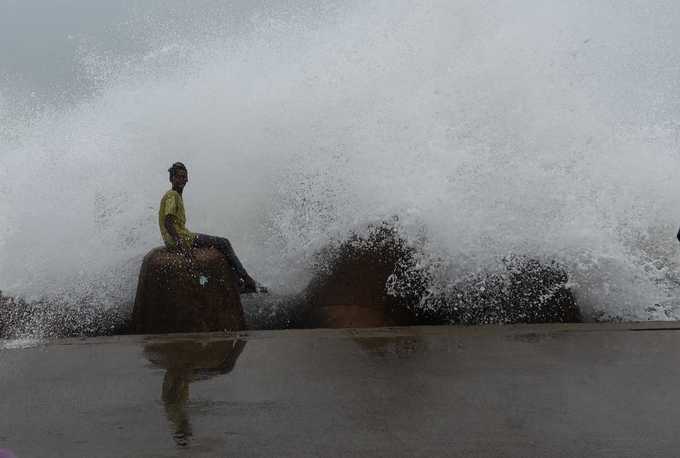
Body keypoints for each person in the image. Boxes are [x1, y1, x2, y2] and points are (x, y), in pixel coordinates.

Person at [159, 162, 262, 293]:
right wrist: (180, 243)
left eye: (184, 177)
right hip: (182, 239)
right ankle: (246, 279)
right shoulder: (172, 195)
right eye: (178, 177)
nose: (182, 180)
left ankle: (237, 282)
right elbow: (168, 222)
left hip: (179, 238)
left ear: (187, 179)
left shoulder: (175, 195)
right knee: (224, 243)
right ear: (171, 179)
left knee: (217, 247)